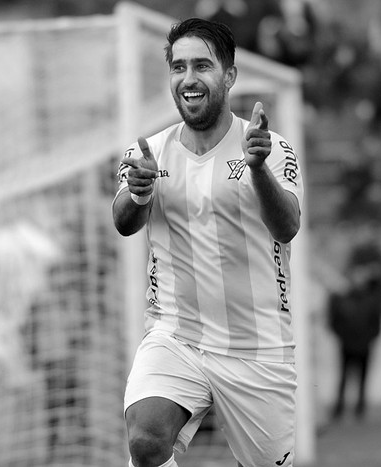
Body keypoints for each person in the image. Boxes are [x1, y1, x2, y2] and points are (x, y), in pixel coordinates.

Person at [112, 18, 303, 467]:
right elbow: (123, 221)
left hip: (259, 348)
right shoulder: (147, 154)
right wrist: (141, 191)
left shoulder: (269, 147)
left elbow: (287, 226)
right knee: (145, 440)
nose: (189, 79)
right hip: (176, 335)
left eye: (202, 65)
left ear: (229, 76)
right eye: (179, 67)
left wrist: (257, 170)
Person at [327, 222, 381, 421]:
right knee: (344, 376)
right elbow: (334, 319)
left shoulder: (372, 299)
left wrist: (370, 337)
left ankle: (360, 408)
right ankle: (340, 407)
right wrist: (342, 335)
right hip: (347, 342)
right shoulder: (343, 297)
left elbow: (376, 321)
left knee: (362, 376)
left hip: (364, 342)